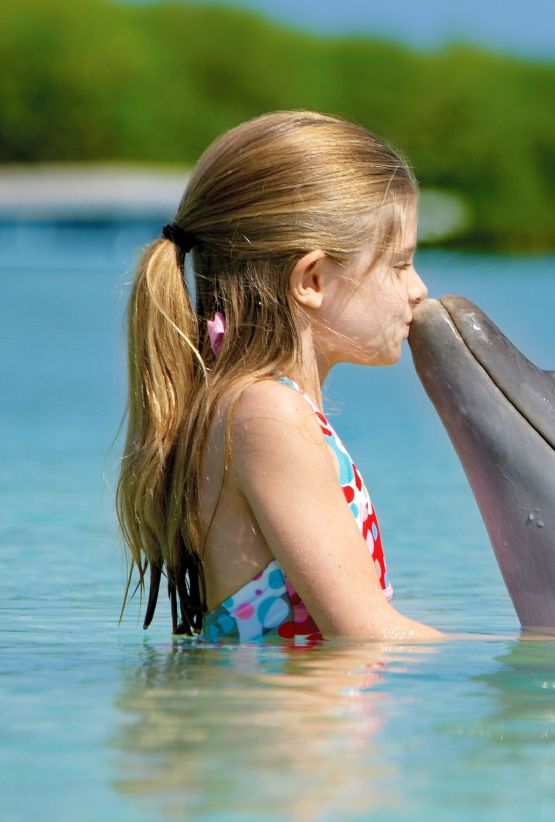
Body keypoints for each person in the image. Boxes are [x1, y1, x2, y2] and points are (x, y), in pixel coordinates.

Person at [116, 110, 441, 643]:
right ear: (311, 279)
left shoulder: (253, 405)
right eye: (400, 264)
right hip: (278, 725)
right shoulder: (268, 411)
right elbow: (365, 634)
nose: (418, 288)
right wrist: (546, 661)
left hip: (288, 723)